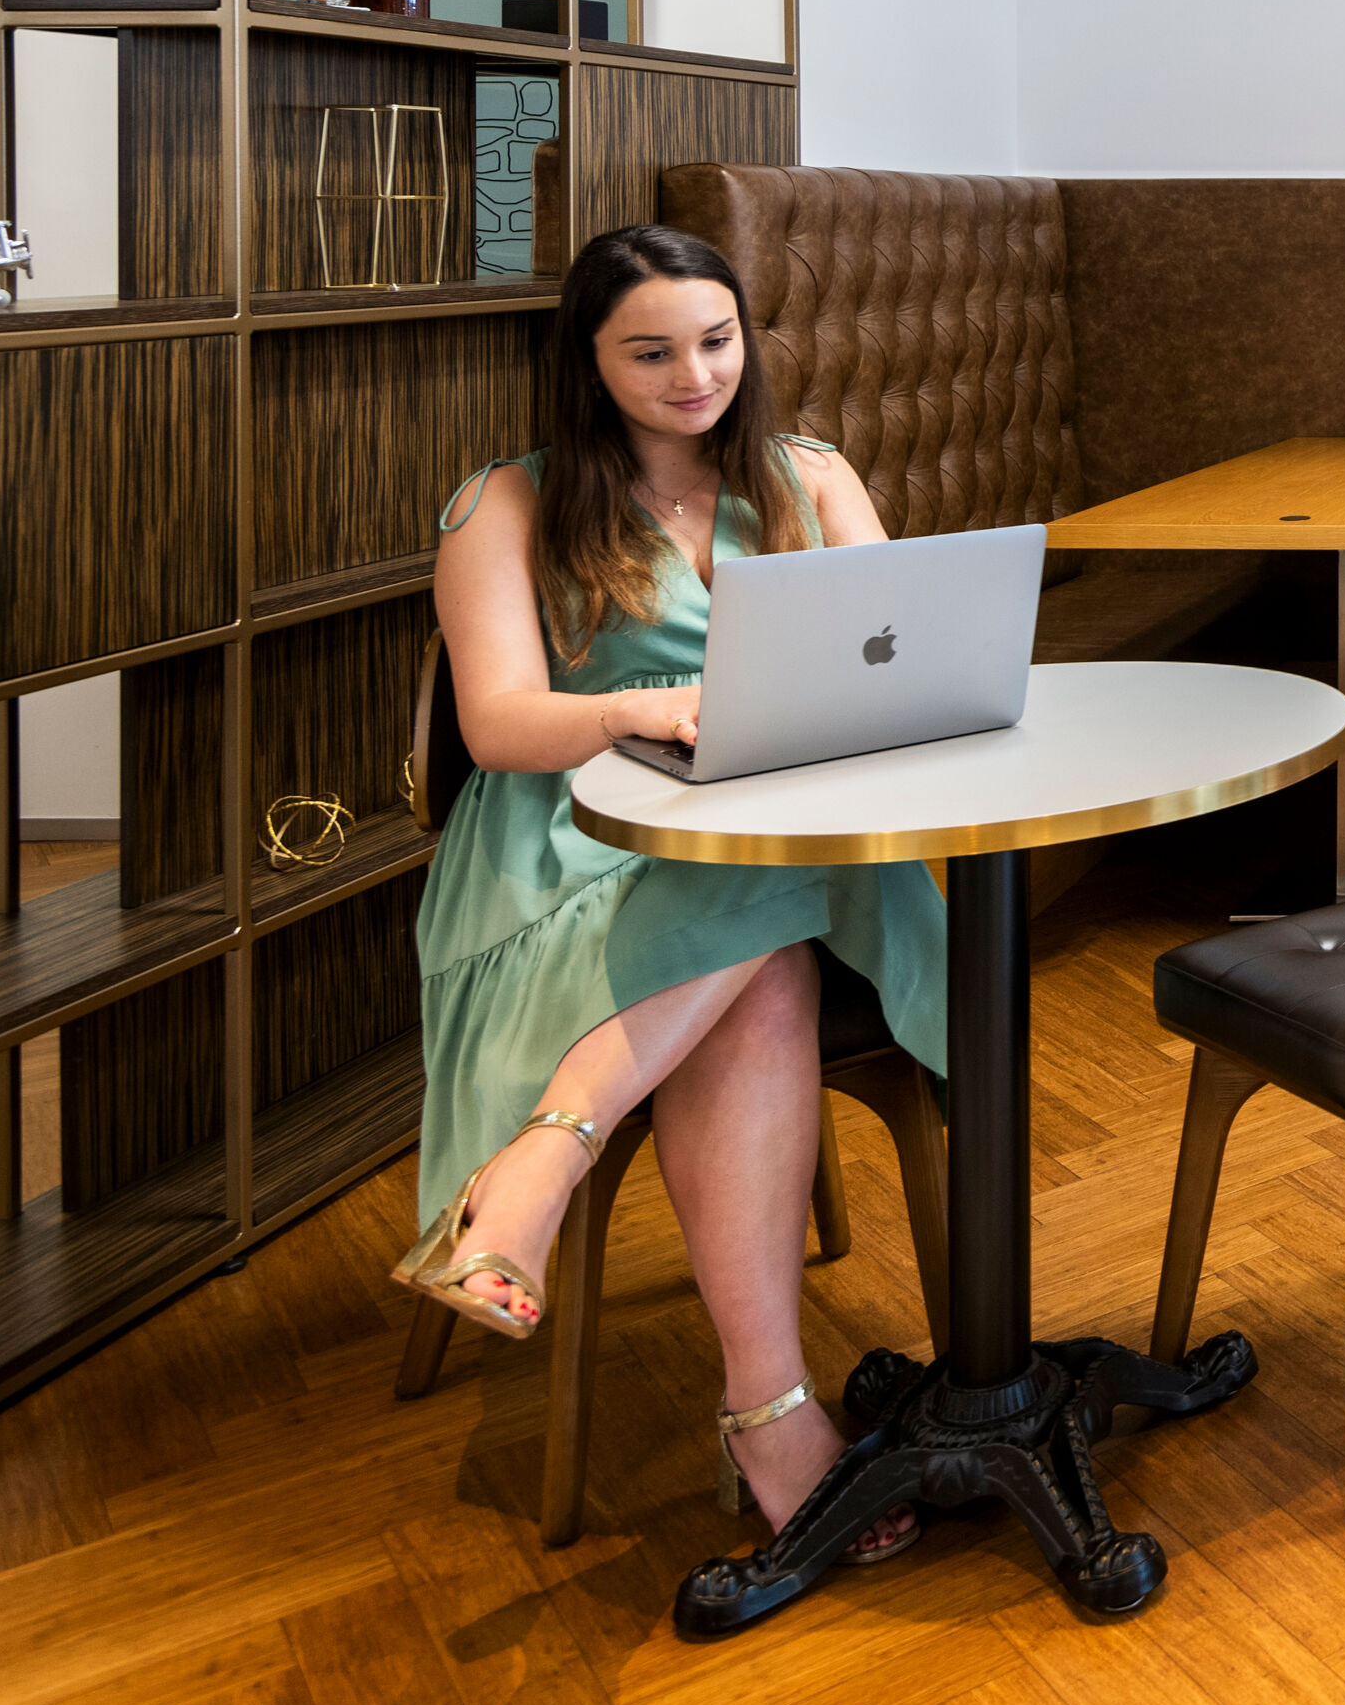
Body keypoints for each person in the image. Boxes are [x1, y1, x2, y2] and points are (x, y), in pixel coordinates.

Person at [399, 222, 952, 1575]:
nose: (693, 374)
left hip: (785, 836)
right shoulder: (505, 503)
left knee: (766, 902)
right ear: (588, 364)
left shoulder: (810, 476)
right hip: (575, 845)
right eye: (649, 352)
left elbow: (906, 654)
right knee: (766, 962)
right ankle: (771, 1419)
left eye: (715, 340)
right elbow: (500, 722)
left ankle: (543, 1162)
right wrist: (643, 707)